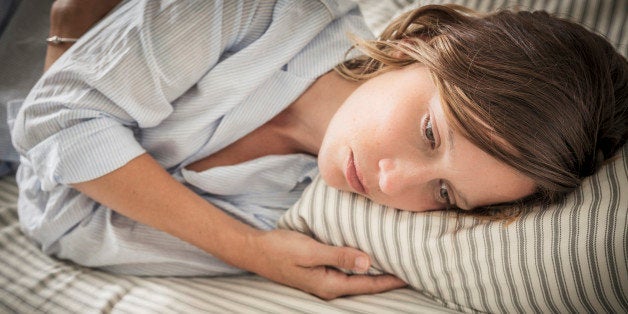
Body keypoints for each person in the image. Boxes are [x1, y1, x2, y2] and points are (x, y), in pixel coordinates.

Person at [10, 0, 627, 300]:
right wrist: (248, 252)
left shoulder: (299, 208)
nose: (391, 183)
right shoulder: (269, 10)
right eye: (432, 132)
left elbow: (61, 226)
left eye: (444, 194)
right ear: (428, 42)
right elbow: (50, 120)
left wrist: (75, 100)